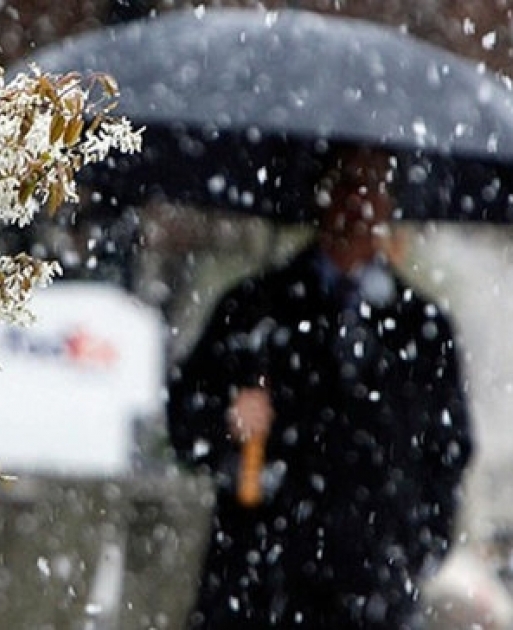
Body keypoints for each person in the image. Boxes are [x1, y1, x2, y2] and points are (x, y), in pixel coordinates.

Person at [166, 149, 474, 629]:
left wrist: (416, 545)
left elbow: (449, 448)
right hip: (259, 582)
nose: (358, 202)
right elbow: (185, 422)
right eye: (347, 183)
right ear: (320, 195)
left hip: (374, 586)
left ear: (391, 203)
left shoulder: (422, 328)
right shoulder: (253, 310)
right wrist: (227, 418)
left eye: (373, 186)